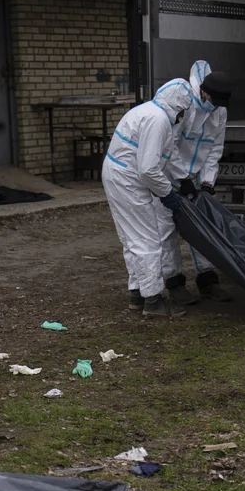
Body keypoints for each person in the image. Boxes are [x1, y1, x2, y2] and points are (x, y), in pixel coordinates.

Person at [102, 79, 199, 319]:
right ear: (178, 107)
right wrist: (167, 193)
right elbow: (148, 170)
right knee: (147, 241)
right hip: (128, 180)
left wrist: (183, 178)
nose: (182, 117)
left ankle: (137, 294)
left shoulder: (150, 112)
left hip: (119, 175)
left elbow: (167, 153)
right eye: (183, 112)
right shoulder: (158, 121)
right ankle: (153, 301)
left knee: (132, 239)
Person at [161, 61, 234, 303]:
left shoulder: (219, 111)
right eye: (213, 101)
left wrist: (207, 183)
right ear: (204, 91)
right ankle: (174, 283)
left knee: (203, 227)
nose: (215, 108)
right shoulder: (185, 105)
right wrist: (181, 180)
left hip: (195, 177)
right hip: (166, 176)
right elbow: (168, 146)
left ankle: (208, 280)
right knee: (167, 229)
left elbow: (214, 148)